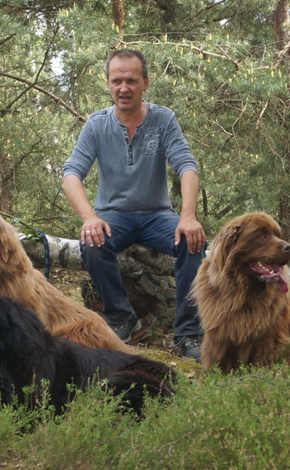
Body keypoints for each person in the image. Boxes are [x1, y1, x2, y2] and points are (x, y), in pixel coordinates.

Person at [61, 49, 206, 360]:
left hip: (157, 216)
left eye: (130, 80)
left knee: (193, 244)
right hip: (113, 216)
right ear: (109, 84)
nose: (123, 88)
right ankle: (121, 318)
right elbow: (71, 174)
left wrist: (188, 217)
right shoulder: (96, 125)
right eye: (116, 81)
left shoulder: (163, 119)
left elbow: (187, 167)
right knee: (92, 243)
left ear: (145, 83)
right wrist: (89, 217)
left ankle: (187, 334)